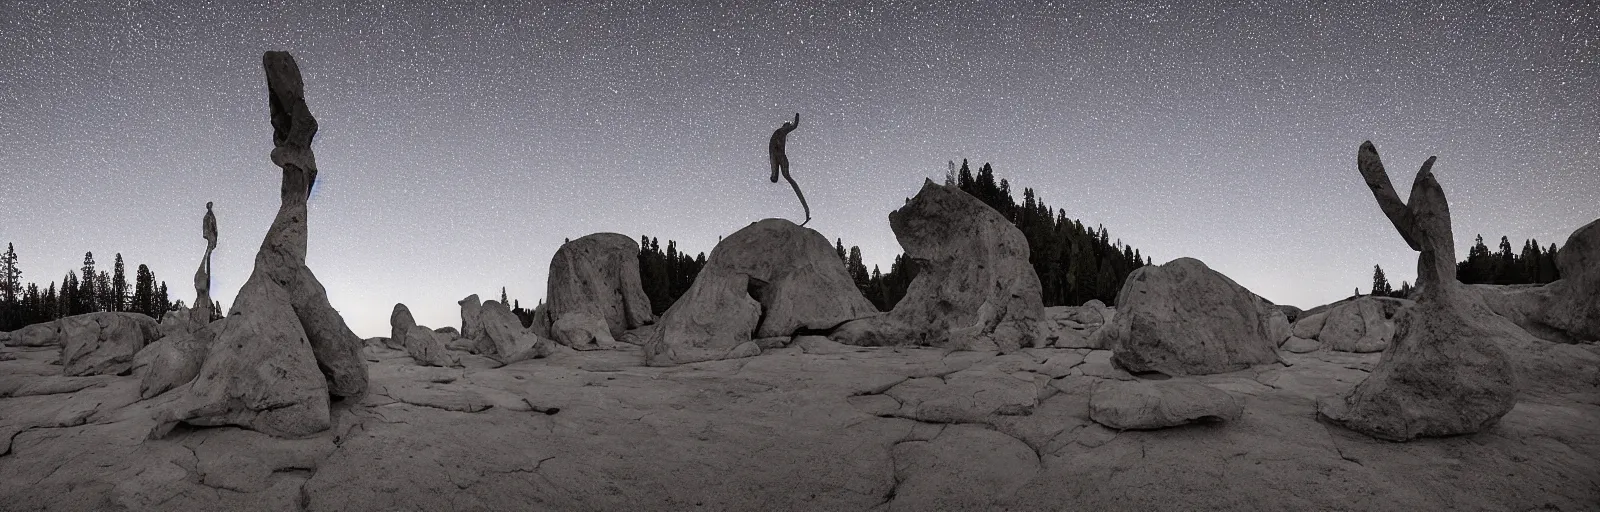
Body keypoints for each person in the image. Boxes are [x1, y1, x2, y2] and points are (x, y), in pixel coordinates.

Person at [768, 113, 810, 225]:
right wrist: (797, 117)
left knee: (786, 177)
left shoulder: (778, 133)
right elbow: (794, 126)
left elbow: (771, 152)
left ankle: (806, 210)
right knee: (786, 177)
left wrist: (774, 172)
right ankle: (806, 209)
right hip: (778, 155)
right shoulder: (781, 131)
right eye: (787, 126)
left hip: (777, 155)